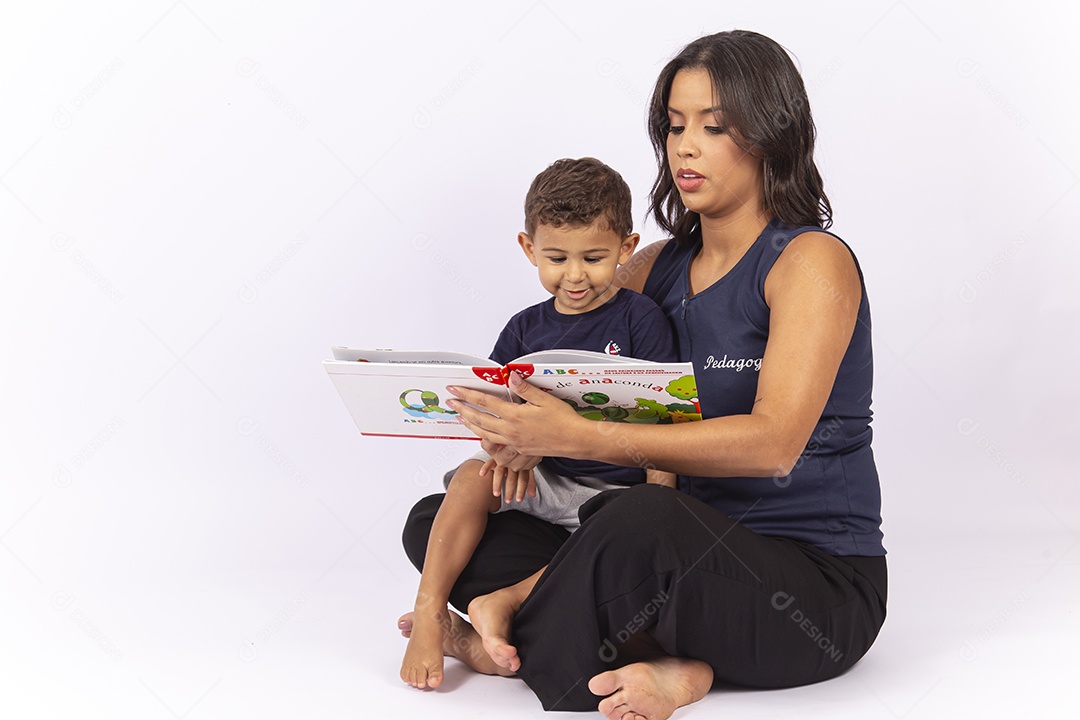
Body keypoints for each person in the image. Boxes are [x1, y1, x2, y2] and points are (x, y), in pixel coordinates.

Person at [401, 30, 887, 720]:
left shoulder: (809, 262)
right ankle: (653, 652)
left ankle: (513, 648)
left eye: (714, 127)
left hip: (807, 584)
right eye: (673, 124)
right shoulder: (648, 266)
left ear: (772, 135)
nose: (683, 146)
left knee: (640, 521)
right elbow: (559, 374)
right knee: (442, 519)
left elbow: (774, 444)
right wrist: (517, 436)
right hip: (655, 552)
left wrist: (585, 437)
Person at [399, 157, 679, 690]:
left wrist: (664, 504)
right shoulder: (524, 327)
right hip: (544, 482)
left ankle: (494, 623)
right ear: (529, 249)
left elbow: (665, 420)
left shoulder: (640, 319)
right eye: (556, 258)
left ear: (626, 247)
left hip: (614, 497)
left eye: (594, 257)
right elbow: (495, 408)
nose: (575, 275)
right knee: (467, 478)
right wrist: (507, 447)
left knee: (616, 550)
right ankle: (433, 610)